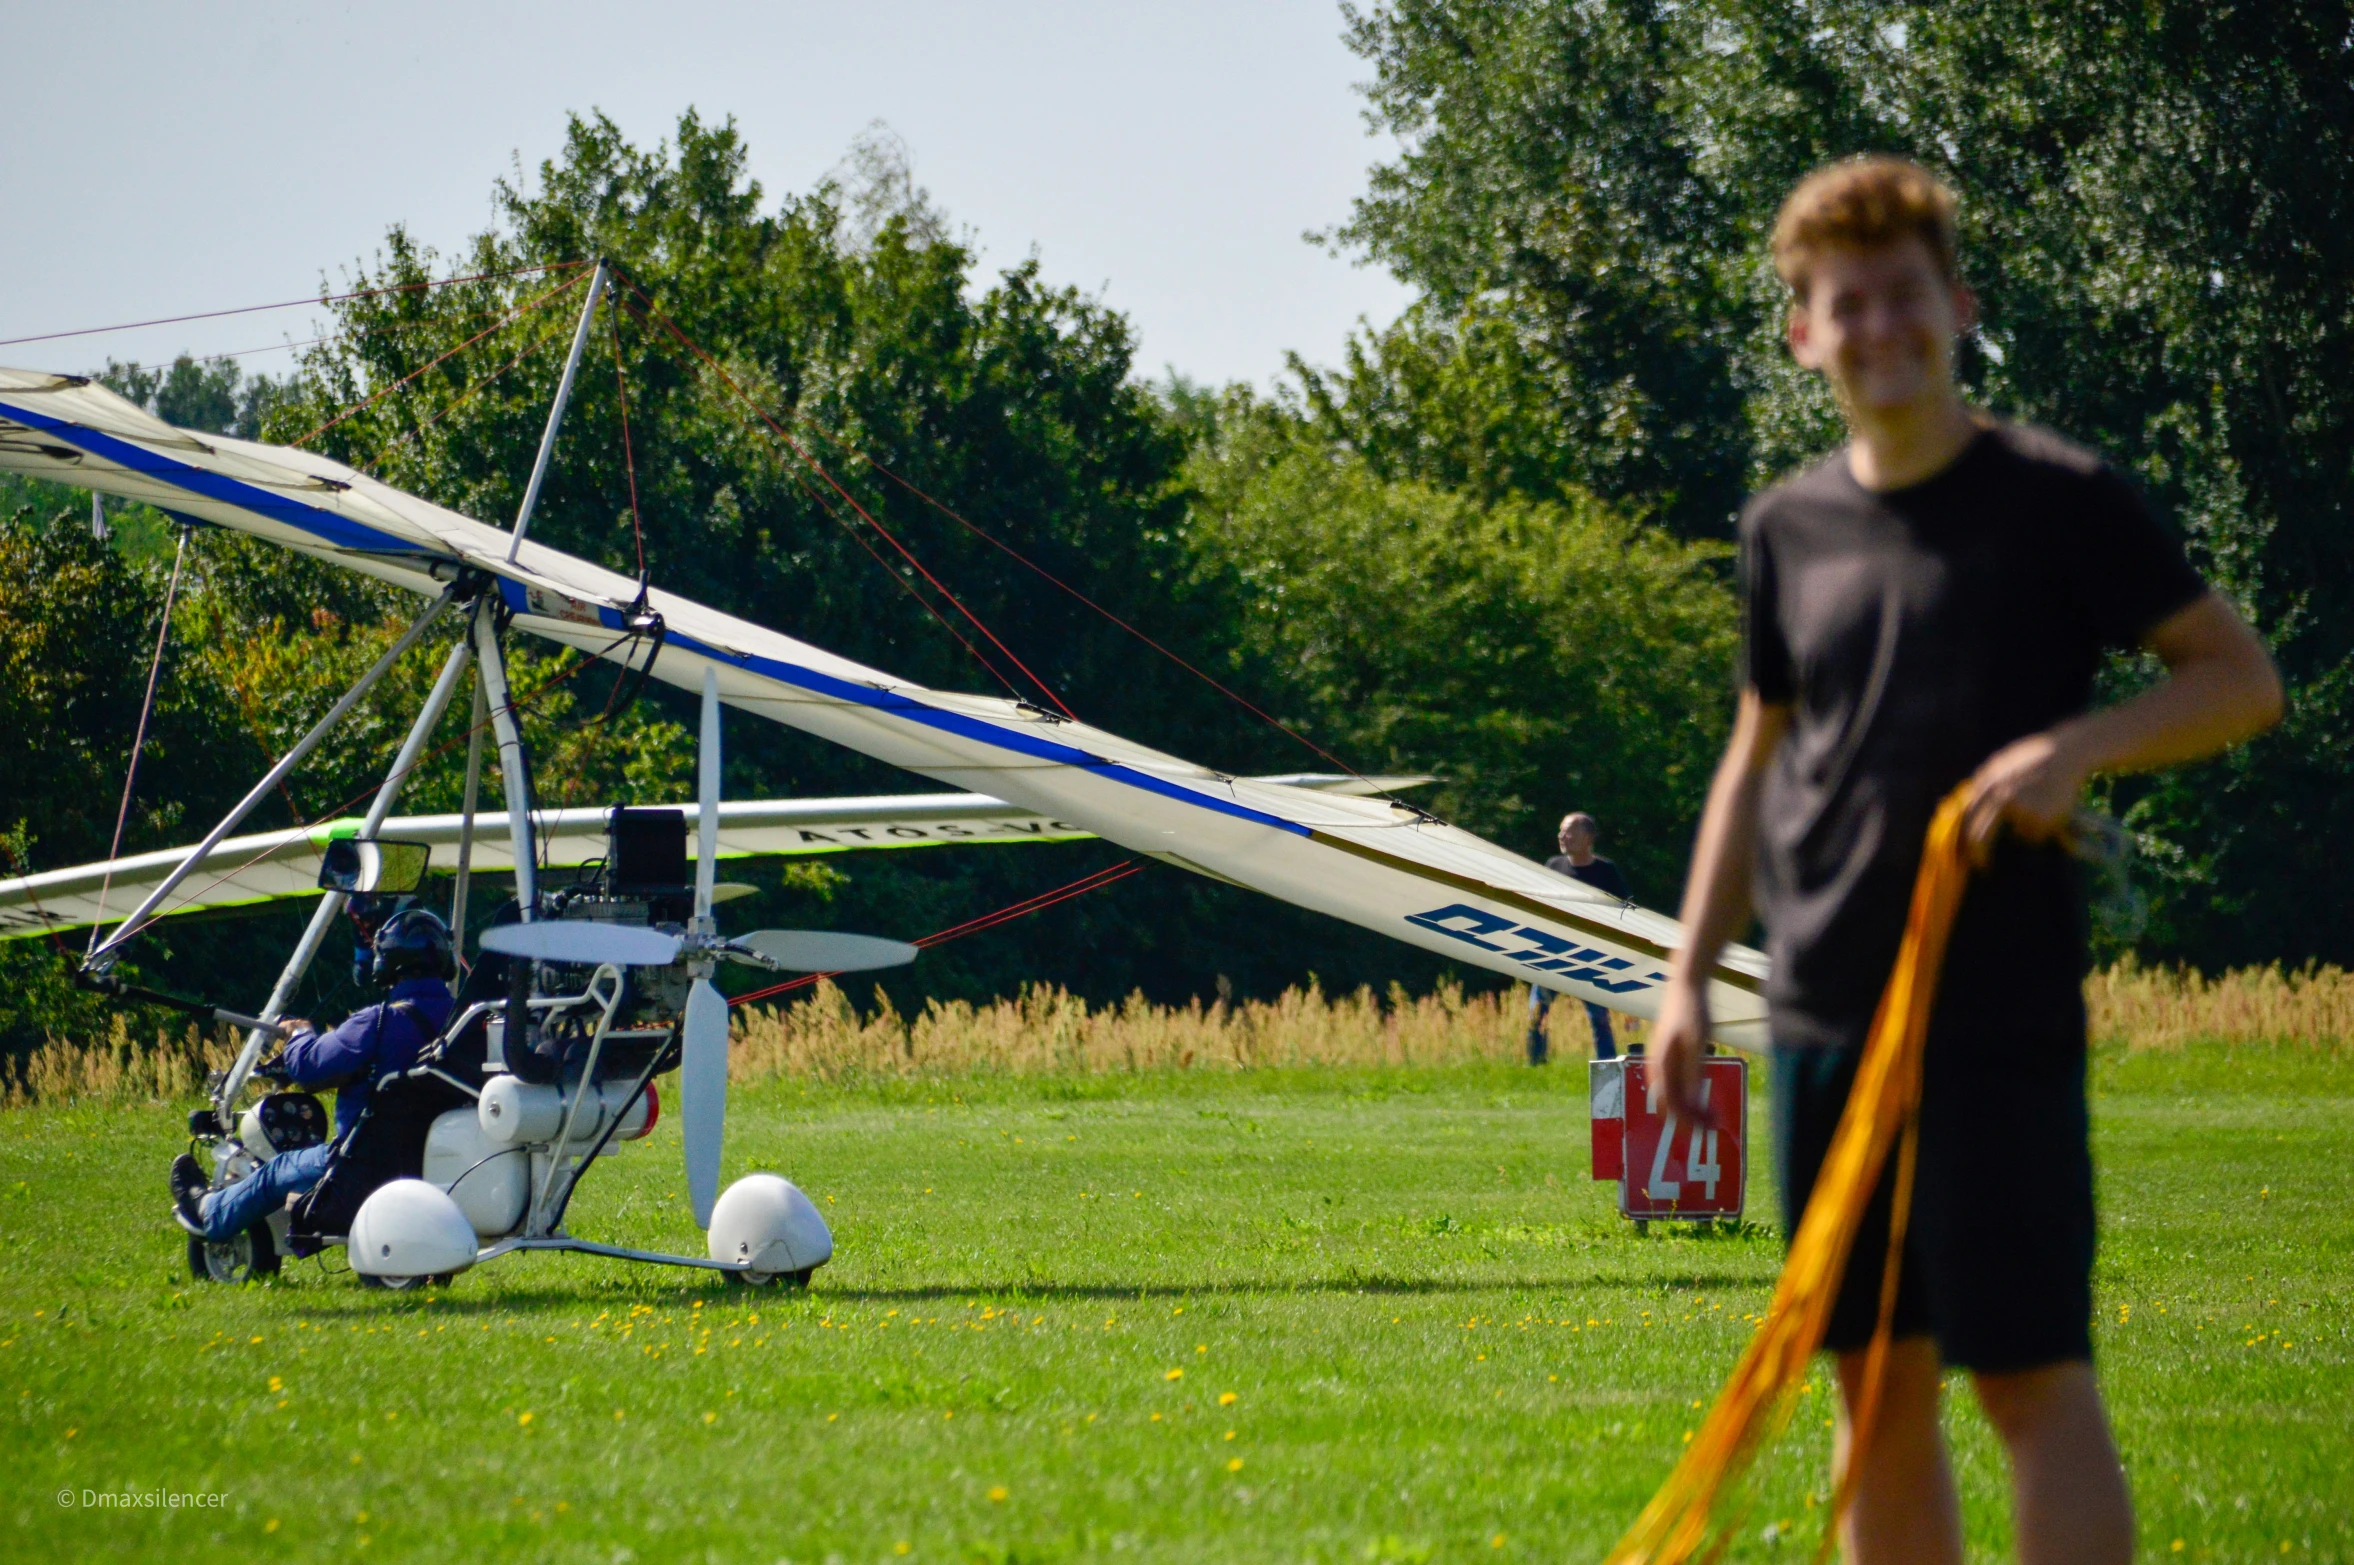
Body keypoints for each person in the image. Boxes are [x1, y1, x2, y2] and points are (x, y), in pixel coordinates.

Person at [1650, 156, 2280, 1565]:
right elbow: (1751, 768)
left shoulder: (2057, 498)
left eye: (1904, 296)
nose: (1878, 327)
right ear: (1802, 331)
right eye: (1843, 303)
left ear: (1957, 305)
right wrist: (1687, 981)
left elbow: (2237, 680)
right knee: (1869, 1385)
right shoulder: (1784, 527)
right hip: (1819, 1010)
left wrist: (2078, 747)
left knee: (2024, 1377)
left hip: (1990, 1013)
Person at [171, 909, 457, 1244]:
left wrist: (299, 1035)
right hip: (435, 1162)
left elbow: (309, 1067)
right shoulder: (463, 1022)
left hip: (363, 1164)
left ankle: (211, 1211)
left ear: (387, 965)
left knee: (279, 1170)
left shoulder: (379, 1022)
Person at [1527, 811, 1635, 1064]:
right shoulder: (1554, 866)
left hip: (1590, 956)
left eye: (1570, 831)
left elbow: (1626, 911)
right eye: (1561, 831)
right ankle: (1535, 1068)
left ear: (1588, 837)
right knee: (1536, 1014)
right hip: (1551, 953)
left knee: (1599, 1019)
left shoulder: (1606, 871)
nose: (1563, 836)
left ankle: (1606, 1067)